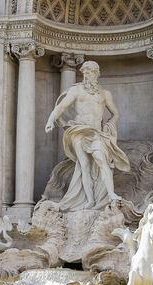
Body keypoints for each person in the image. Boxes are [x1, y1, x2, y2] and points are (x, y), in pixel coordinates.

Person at [44, 61, 131, 212]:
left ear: (97, 73)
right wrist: (50, 120)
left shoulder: (105, 94)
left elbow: (115, 113)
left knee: (102, 160)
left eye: (90, 72)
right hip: (79, 130)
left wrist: (109, 124)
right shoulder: (76, 90)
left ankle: (111, 194)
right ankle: (90, 200)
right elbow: (61, 107)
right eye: (85, 72)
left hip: (96, 132)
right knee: (84, 166)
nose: (86, 74)